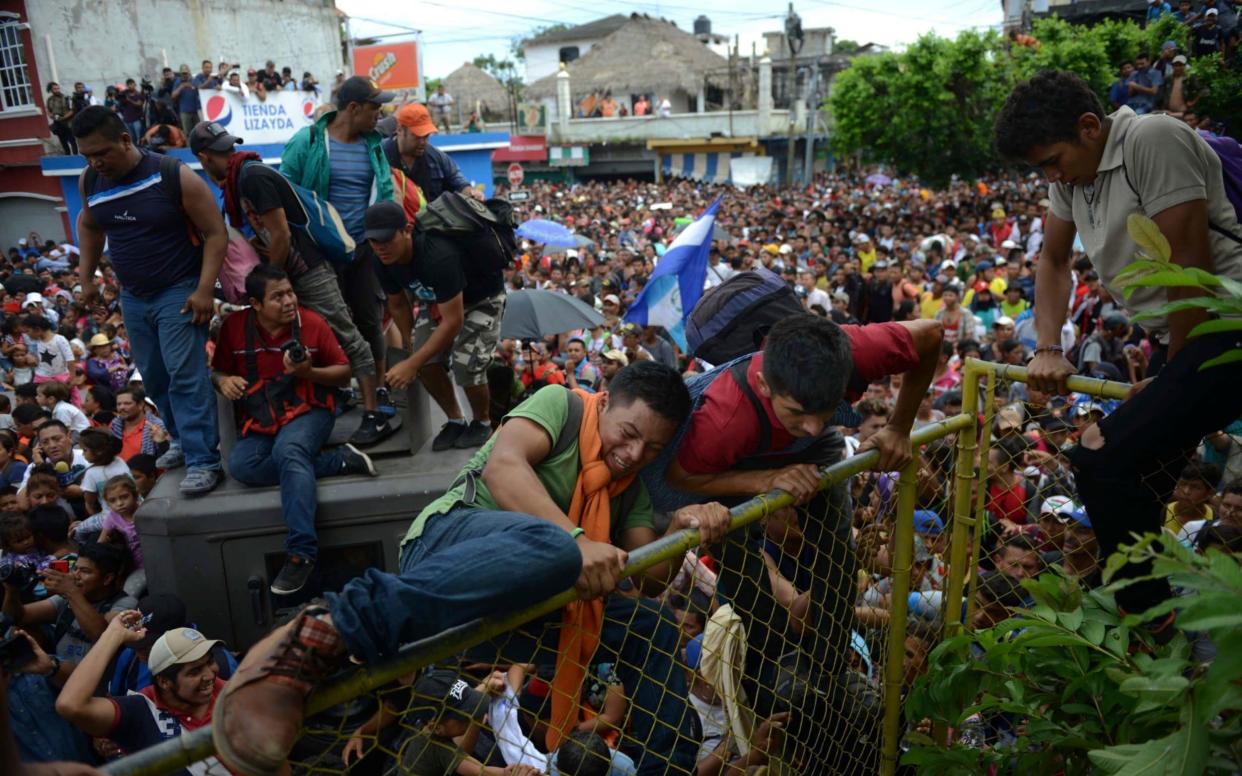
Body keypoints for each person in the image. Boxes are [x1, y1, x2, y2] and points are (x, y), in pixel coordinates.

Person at [211, 362, 730, 776]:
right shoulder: (564, 406)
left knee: (652, 626)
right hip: (449, 548)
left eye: (653, 449)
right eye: (629, 433)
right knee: (550, 544)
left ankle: (669, 768)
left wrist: (679, 530)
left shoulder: (629, 489)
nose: (633, 453)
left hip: (525, 605)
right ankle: (323, 631)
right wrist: (575, 541)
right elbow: (503, 469)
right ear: (607, 402)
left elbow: (647, 577)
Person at [994, 70, 1242, 634]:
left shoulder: (1151, 139)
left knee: (1099, 458)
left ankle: (1152, 625)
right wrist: (1049, 347)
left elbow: (1189, 268)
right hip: (1178, 337)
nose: (1050, 175)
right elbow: (1053, 261)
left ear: (1088, 127)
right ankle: (1164, 608)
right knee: (1144, 480)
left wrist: (1175, 374)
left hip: (1223, 323)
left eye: (1053, 160)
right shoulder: (1070, 177)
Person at [191, 121, 383, 446]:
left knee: (346, 335)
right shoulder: (238, 182)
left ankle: (374, 413)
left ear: (204, 157)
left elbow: (281, 233)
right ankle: (335, 398)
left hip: (307, 269)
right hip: (288, 273)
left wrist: (272, 279)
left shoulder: (252, 177)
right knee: (307, 339)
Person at [72, 105, 225, 495]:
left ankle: (204, 460)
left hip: (179, 290)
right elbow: (89, 226)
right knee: (154, 376)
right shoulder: (91, 181)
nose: (96, 161)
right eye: (88, 154)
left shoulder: (174, 175)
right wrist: (86, 278)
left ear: (126, 140)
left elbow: (215, 233)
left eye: (102, 152)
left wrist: (204, 289)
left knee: (184, 374)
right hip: (134, 297)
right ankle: (178, 439)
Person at [211, 265, 378, 594]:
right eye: (277, 297)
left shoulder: (312, 323)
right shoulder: (233, 328)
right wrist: (224, 380)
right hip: (262, 418)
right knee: (242, 466)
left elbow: (345, 374)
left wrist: (308, 372)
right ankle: (337, 461)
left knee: (289, 451)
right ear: (256, 304)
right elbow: (216, 372)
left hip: (310, 411)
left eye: (290, 292)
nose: (289, 301)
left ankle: (302, 553)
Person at [280, 76, 397, 447]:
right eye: (375, 107)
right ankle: (341, 391)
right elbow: (283, 189)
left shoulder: (375, 145)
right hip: (320, 250)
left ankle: (377, 394)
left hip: (364, 247)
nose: (380, 114)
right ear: (353, 108)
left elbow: (386, 191)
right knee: (330, 326)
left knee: (369, 320)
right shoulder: (309, 141)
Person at [365, 200, 504, 451]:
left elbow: (454, 321)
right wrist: (410, 348)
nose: (380, 248)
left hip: (482, 297)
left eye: (386, 240)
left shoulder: (438, 255)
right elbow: (397, 305)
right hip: (439, 300)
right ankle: (455, 419)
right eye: (374, 241)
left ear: (406, 230)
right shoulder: (381, 260)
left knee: (467, 364)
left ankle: (482, 422)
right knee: (424, 360)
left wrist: (412, 362)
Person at [53, 613, 230, 774]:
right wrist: (112, 635)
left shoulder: (232, 694)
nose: (209, 675)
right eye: (195, 671)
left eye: (210, 662)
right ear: (164, 682)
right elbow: (70, 705)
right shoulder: (141, 711)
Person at [382, 102, 482, 203]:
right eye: (416, 136)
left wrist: (471, 194)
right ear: (400, 130)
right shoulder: (380, 154)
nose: (423, 142)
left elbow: (457, 181)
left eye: (426, 136)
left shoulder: (436, 157)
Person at [109, 387, 167, 462]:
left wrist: (162, 443)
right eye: (119, 404)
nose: (121, 407)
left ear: (140, 405)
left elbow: (168, 458)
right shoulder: (114, 425)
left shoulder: (157, 426)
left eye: (127, 403)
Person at [45, 82, 77, 155]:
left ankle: (75, 155)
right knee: (63, 141)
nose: (57, 90)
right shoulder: (49, 99)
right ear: (51, 90)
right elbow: (48, 110)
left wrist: (63, 117)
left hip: (67, 122)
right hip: (57, 123)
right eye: (55, 89)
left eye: (58, 88)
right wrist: (52, 116)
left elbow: (72, 110)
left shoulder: (67, 97)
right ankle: (67, 155)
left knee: (72, 140)